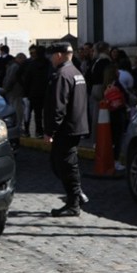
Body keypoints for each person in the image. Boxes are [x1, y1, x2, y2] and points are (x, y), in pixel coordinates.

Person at [44, 42, 90, 217]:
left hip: (66, 128)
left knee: (65, 166)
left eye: (52, 56)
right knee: (60, 165)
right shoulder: (76, 72)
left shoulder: (62, 75)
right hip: (76, 125)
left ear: (58, 55)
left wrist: (50, 131)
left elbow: (58, 106)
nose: (50, 59)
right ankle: (76, 194)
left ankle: (74, 202)